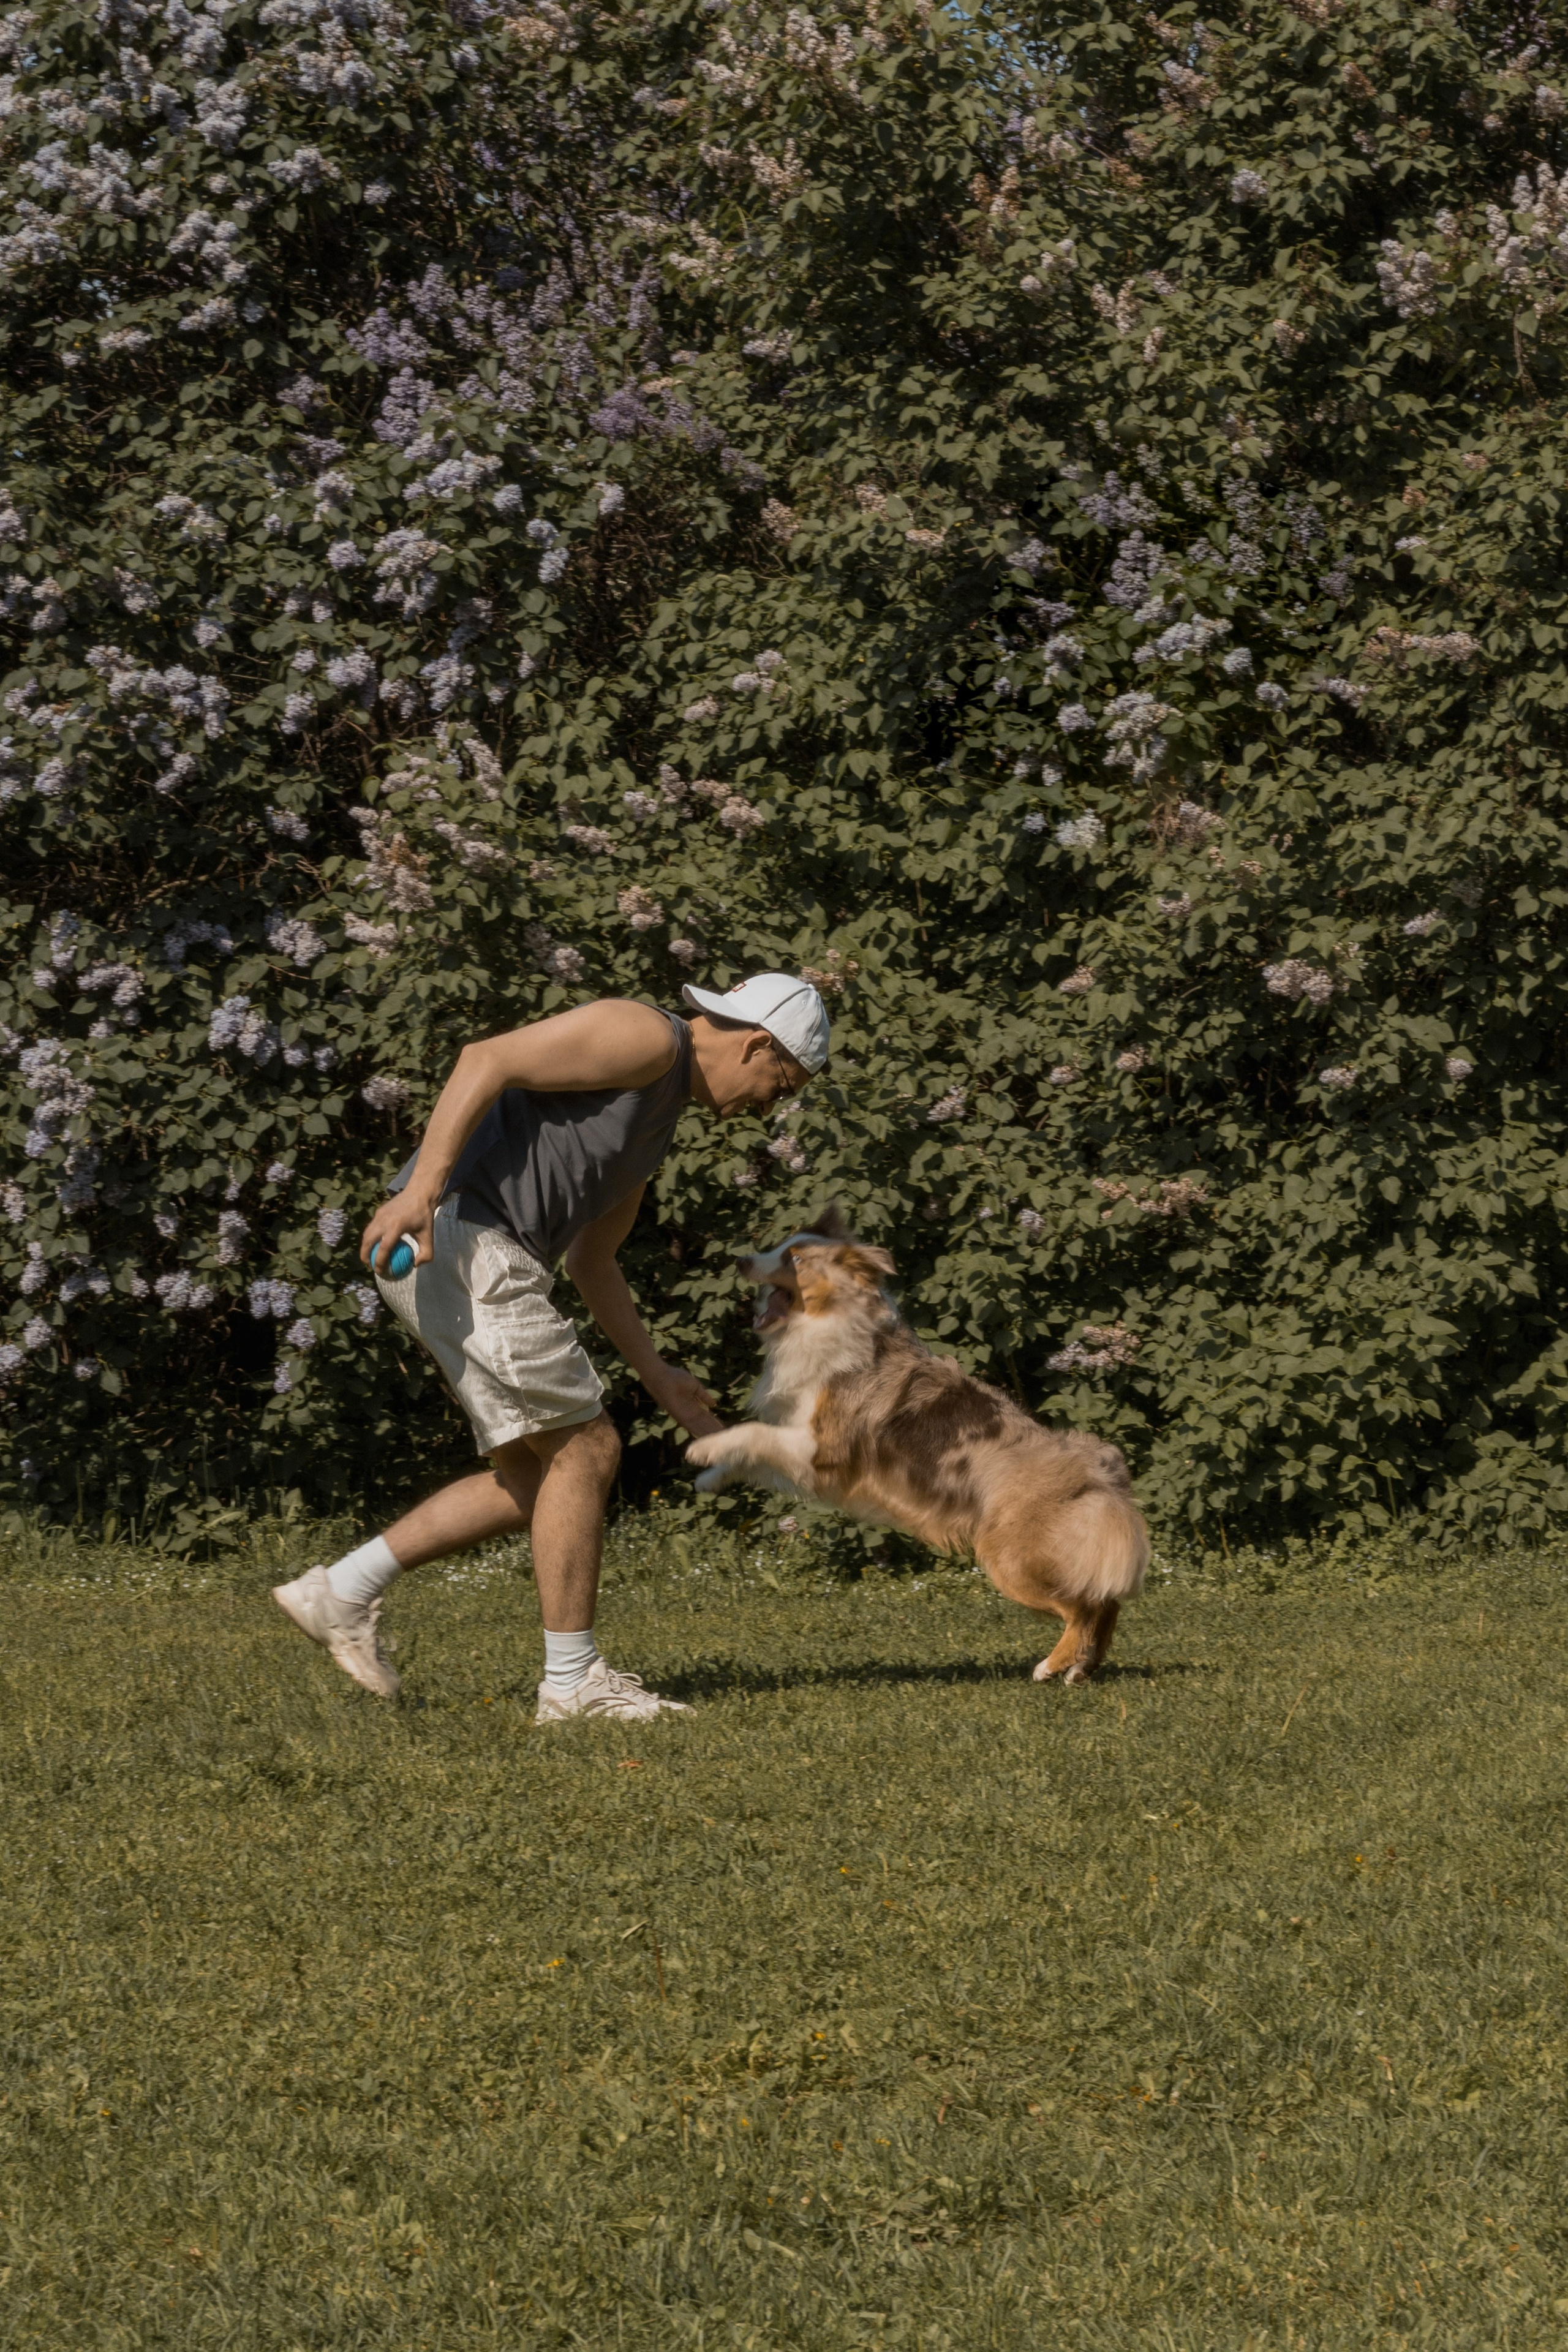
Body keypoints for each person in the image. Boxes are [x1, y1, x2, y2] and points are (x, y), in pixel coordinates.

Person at [271, 973, 830, 1721]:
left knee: (539, 1484)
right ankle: (572, 1685)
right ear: (758, 1043)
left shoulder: (655, 1122)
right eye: (780, 1081)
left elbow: (592, 1262)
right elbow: (484, 1059)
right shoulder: (647, 1037)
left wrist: (660, 1376)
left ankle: (340, 1591)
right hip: (463, 1240)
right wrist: (420, 1194)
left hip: (473, 1254)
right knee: (588, 1451)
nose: (771, 1104)